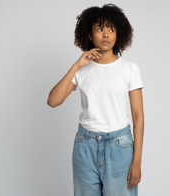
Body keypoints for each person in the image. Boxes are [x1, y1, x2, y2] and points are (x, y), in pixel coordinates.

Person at [47, 3, 144, 196]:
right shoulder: (81, 70)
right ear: (90, 36)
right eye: (99, 29)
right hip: (85, 146)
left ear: (118, 34)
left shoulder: (129, 68)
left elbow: (138, 116)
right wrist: (76, 65)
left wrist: (137, 161)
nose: (106, 34)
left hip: (120, 147)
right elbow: (53, 101)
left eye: (111, 28)